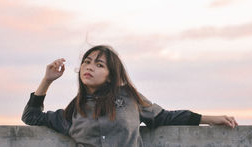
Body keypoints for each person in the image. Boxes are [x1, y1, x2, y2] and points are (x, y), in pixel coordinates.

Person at [22, 45, 238, 146]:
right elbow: (30, 116)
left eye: (99, 64)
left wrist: (210, 119)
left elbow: (163, 117)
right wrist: (47, 80)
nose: (89, 67)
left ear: (109, 75)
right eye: (87, 62)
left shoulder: (129, 98)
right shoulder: (73, 110)